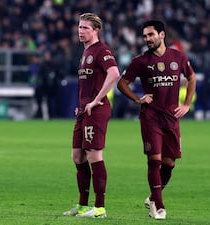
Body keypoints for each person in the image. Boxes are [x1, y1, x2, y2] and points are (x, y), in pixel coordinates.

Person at [117, 20, 196, 220]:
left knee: (169, 164)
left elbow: (191, 77)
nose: (147, 39)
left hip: (171, 117)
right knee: (154, 161)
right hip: (150, 116)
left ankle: (153, 195)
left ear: (162, 35)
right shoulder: (140, 61)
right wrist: (137, 99)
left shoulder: (178, 57)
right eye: (145, 36)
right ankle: (159, 207)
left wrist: (186, 104)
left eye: (151, 35)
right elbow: (122, 82)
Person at [63, 13, 120, 218]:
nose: (81, 31)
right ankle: (82, 205)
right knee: (77, 156)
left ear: (96, 30)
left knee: (94, 155)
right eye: (79, 27)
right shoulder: (86, 52)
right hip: (83, 111)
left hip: (96, 110)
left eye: (85, 28)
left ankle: (100, 208)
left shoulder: (102, 51)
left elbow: (114, 73)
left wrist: (96, 100)